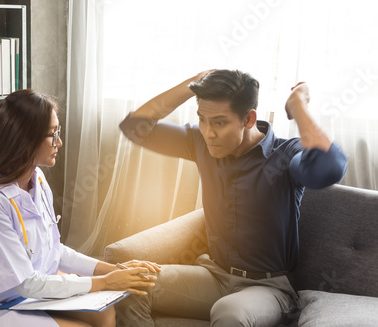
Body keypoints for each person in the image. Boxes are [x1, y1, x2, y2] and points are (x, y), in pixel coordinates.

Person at [116, 69, 348, 326]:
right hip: (214, 276)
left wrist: (298, 104)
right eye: (202, 120)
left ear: (249, 119)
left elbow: (330, 168)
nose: (208, 132)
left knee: (230, 312)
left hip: (268, 288)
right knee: (126, 282)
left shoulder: (285, 154)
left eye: (219, 122)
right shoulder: (200, 143)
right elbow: (134, 127)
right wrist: (190, 86)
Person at [0, 89, 161, 327]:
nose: (59, 142)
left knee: (104, 314)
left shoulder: (37, 180)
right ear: (25, 138)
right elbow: (26, 283)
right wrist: (106, 282)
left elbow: (53, 250)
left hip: (21, 298)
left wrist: (113, 270)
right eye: (53, 134)